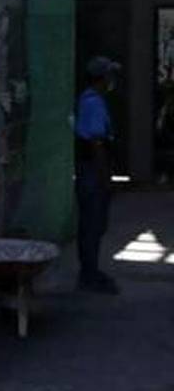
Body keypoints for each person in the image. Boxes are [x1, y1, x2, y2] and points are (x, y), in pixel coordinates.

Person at [74, 56, 121, 295]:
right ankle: (89, 274)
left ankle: (90, 271)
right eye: (109, 75)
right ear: (101, 78)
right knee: (93, 224)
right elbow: (96, 143)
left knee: (93, 225)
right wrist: (105, 178)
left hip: (90, 170)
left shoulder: (91, 100)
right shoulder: (93, 103)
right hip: (92, 171)